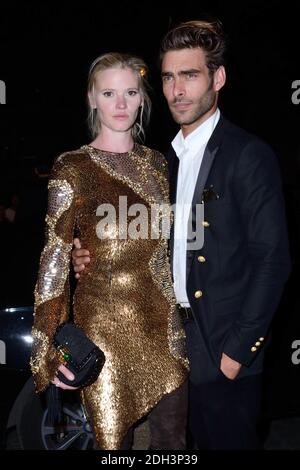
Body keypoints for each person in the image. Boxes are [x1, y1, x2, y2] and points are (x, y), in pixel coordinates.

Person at [73, 21, 291, 449]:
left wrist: (237, 353)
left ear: (218, 78)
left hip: (221, 346)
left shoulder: (248, 155)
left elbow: (274, 261)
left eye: (190, 75)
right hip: (167, 343)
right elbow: (138, 236)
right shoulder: (161, 163)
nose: (177, 90)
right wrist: (89, 253)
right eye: (169, 77)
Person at [30, 52, 189, 450]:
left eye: (130, 92)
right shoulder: (73, 166)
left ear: (142, 99)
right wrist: (46, 347)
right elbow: (53, 258)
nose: (120, 104)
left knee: (172, 438)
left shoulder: (160, 164)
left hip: (165, 327)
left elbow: (183, 240)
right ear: (92, 99)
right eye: (109, 93)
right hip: (103, 329)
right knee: (112, 444)